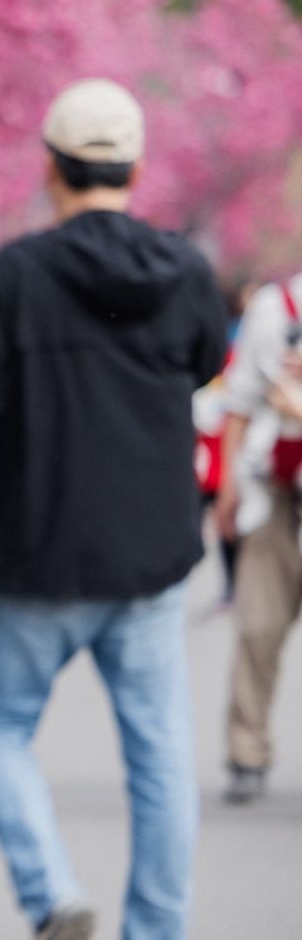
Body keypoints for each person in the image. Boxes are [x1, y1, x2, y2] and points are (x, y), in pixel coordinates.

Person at [0, 79, 225, 940]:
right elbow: (207, 364)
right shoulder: (187, 273)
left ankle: (52, 892)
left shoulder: (14, 275)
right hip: (152, 558)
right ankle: (154, 930)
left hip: (33, 554)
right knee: (160, 755)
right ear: (136, 167)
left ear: (51, 165)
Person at [213, 268, 302, 804]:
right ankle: (246, 752)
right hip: (274, 491)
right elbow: (239, 402)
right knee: (258, 626)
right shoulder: (274, 307)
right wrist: (228, 488)